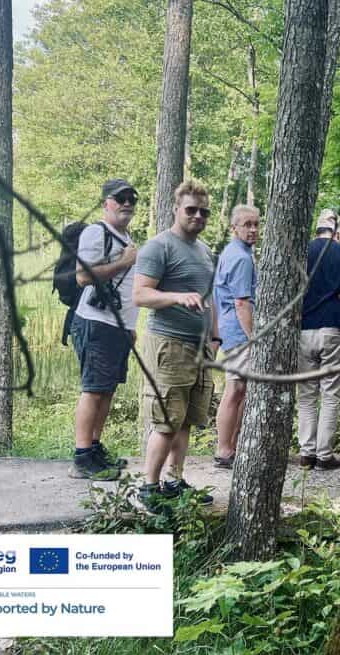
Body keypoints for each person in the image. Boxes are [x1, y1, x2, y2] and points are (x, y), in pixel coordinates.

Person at [132, 178, 218, 513]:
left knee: (185, 420)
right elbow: (140, 295)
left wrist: (214, 337)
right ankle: (148, 486)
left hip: (199, 348)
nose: (198, 216)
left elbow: (209, 298)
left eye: (203, 212)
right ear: (176, 209)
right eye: (191, 210)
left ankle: (174, 480)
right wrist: (175, 297)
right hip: (168, 344)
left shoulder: (205, 249)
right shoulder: (159, 246)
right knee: (167, 420)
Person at [69, 178, 139, 480]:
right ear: (106, 203)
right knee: (93, 389)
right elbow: (82, 277)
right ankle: (82, 457)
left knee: (107, 390)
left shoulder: (125, 237)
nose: (126, 203)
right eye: (120, 198)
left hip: (118, 327)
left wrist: (131, 327)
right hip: (95, 323)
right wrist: (123, 263)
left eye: (131, 199)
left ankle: (95, 449)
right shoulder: (96, 233)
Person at [297, 209, 340, 469]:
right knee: (330, 393)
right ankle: (324, 455)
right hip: (334, 327)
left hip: (303, 329)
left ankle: (306, 452)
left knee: (306, 394)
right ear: (337, 232)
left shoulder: (302, 251)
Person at [212, 204, 260, 469]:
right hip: (238, 332)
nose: (253, 229)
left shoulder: (236, 252)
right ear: (234, 228)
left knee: (238, 388)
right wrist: (254, 337)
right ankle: (225, 449)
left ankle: (230, 446)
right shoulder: (240, 257)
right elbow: (242, 303)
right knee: (236, 389)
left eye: (255, 224)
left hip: (231, 329)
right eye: (247, 225)